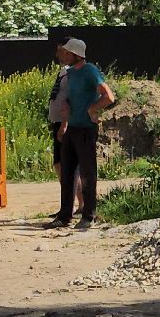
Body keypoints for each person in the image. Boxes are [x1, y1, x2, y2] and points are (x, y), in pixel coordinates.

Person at [51, 37, 115, 229]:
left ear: (75, 54)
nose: (63, 55)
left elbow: (108, 96)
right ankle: (64, 216)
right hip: (72, 128)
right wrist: (64, 122)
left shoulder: (90, 71)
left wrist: (92, 110)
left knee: (87, 172)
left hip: (86, 128)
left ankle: (89, 215)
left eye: (66, 52)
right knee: (68, 172)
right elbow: (71, 98)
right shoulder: (70, 73)